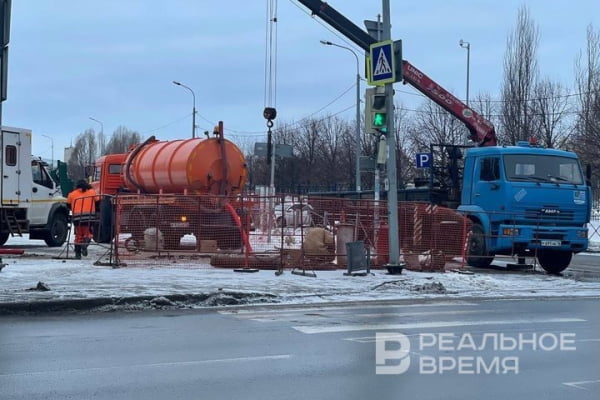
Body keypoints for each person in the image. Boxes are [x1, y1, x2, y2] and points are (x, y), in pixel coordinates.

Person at [67, 179, 98, 259]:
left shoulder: (72, 194)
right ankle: (85, 244)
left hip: (77, 219)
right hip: (89, 218)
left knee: (78, 236)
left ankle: (77, 254)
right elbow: (98, 202)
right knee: (88, 233)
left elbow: (68, 205)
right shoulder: (92, 192)